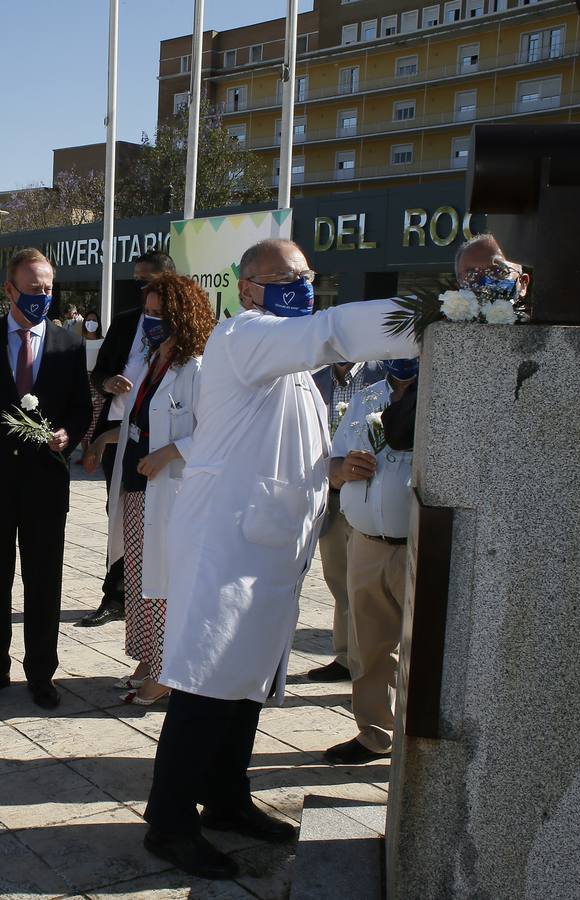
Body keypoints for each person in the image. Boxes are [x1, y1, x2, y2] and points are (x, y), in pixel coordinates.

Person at [142, 239, 417, 880]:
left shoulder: (291, 371)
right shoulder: (246, 337)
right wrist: (423, 318)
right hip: (227, 544)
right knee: (208, 681)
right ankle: (170, 822)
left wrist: (332, 467)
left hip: (268, 546)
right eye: (288, 277)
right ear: (249, 288)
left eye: (307, 276)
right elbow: (330, 333)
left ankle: (228, 799)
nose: (303, 286)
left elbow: (282, 451)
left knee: (250, 681)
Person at [0, 248, 91, 709]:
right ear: (10, 290)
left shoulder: (68, 342)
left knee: (43, 583)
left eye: (48, 289)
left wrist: (69, 432)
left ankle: (41, 674)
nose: (42, 297)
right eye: (33, 289)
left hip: (45, 486)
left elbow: (81, 406)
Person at [85, 274, 212, 706]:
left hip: (170, 490)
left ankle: (165, 673)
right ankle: (146, 659)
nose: (153, 321)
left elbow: (216, 433)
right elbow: (142, 420)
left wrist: (172, 452)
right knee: (140, 579)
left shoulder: (197, 368)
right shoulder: (153, 361)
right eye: (149, 313)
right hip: (138, 487)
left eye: (161, 314)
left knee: (164, 584)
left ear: (183, 316)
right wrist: (104, 439)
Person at [322, 355, 419, 765]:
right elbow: (330, 464)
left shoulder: (443, 398)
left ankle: (418, 741)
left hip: (416, 545)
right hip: (364, 541)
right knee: (370, 646)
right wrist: (342, 468)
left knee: (423, 650)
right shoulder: (366, 398)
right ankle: (375, 733)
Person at [79, 250, 178, 628]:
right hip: (117, 433)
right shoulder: (124, 323)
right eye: (137, 280)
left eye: (148, 279)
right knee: (120, 515)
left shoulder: (182, 328)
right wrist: (107, 381)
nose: (141, 287)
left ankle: (152, 595)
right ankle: (115, 594)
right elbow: (98, 371)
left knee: (156, 521)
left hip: (162, 441)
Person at [302, 358, 386, 683]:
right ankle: (345, 656)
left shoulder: (382, 375)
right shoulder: (316, 379)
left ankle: (367, 660)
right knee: (338, 579)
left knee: (364, 583)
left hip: (366, 490)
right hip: (329, 491)